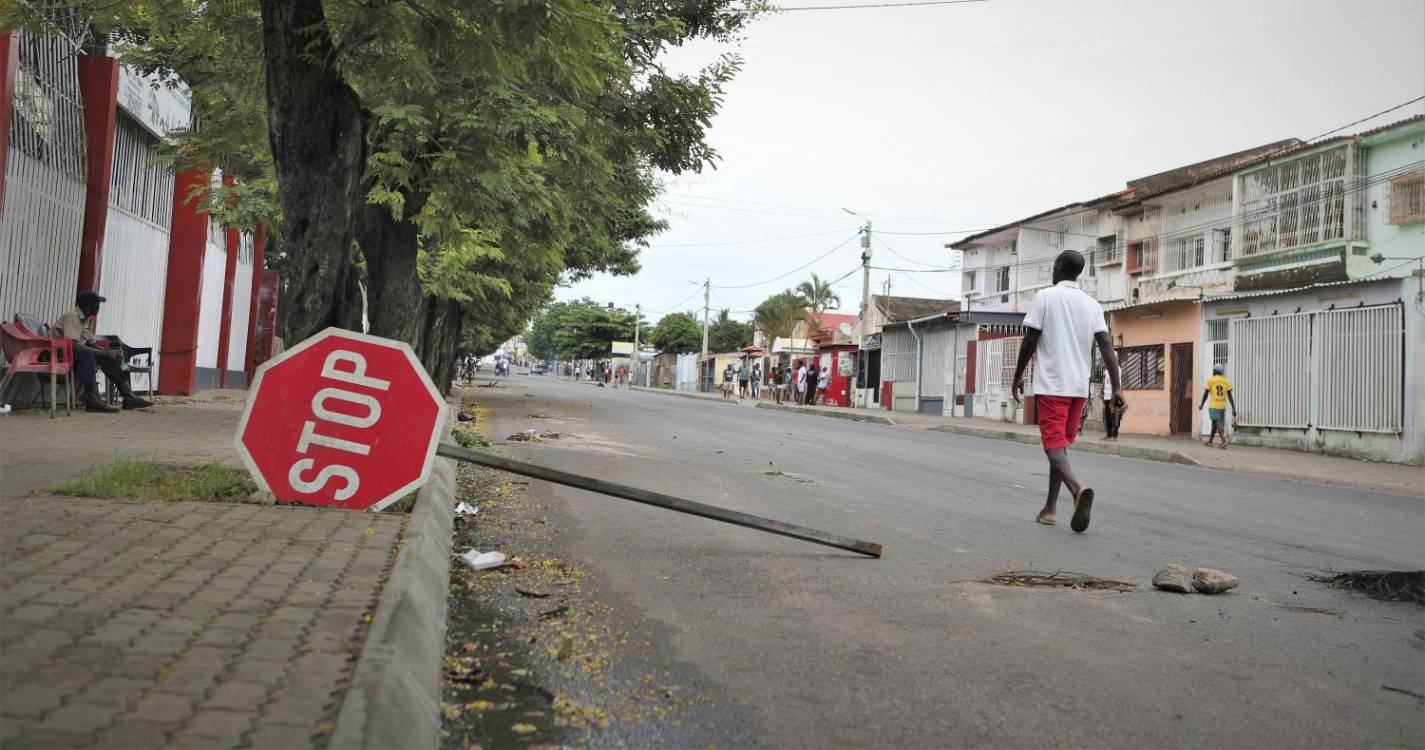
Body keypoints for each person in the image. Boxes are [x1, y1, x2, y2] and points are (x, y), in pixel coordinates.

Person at [1011, 250, 1124, 533]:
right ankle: (1050, 509)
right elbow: (1106, 347)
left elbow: (1031, 338)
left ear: (1060, 267)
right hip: (1078, 390)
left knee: (1052, 447)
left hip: (1052, 385)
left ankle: (1077, 490)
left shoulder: (1045, 297)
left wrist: (1017, 375)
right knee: (1059, 448)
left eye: (1053, 266)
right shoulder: (1092, 305)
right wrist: (1118, 387)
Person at [50, 290, 155, 412]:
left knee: (111, 355)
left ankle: (128, 396)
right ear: (88, 305)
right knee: (87, 354)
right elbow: (72, 345)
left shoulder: (88, 319)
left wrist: (109, 352)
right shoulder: (72, 316)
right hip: (57, 355)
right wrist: (105, 353)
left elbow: (91, 344)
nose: (99, 307)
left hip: (75, 354)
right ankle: (93, 400)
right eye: (97, 303)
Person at [1199, 363, 1236, 448]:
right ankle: (1210, 442)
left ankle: (1223, 441)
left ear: (1215, 371)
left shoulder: (1211, 380)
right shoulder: (1226, 381)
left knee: (1217, 423)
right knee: (1214, 424)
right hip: (1222, 406)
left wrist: (1202, 404)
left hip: (1214, 406)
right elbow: (1229, 395)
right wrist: (1233, 408)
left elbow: (1206, 393)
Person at [1100, 377, 1122, 441]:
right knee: (1108, 417)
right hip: (1108, 398)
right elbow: (1101, 390)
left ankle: (1114, 436)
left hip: (1115, 398)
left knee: (1115, 417)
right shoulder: (1107, 374)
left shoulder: (1116, 372)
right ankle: (1109, 435)